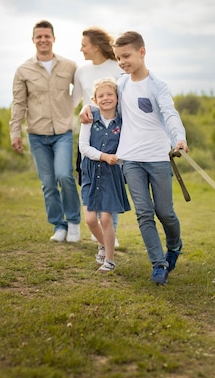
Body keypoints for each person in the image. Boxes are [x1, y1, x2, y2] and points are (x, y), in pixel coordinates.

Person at [81, 31, 189, 285]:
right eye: (118, 58)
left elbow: (170, 114)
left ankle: (174, 246)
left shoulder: (157, 86)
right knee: (144, 213)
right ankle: (158, 264)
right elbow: (103, 100)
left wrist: (179, 138)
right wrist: (87, 107)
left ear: (142, 52)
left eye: (126, 56)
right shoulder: (122, 84)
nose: (122, 62)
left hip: (159, 158)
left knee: (165, 212)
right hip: (130, 160)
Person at [9, 20, 81, 243]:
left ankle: (74, 222)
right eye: (39, 37)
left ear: (53, 39)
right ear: (33, 40)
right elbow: (18, 103)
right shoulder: (23, 70)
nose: (43, 40)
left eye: (46, 36)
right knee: (48, 183)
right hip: (37, 135)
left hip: (63, 132)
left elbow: (83, 90)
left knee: (64, 176)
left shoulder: (70, 66)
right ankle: (59, 226)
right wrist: (15, 132)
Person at [73, 27, 123, 248]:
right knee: (89, 180)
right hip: (89, 132)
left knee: (112, 182)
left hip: (113, 133)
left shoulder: (117, 67)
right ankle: (101, 233)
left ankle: (110, 231)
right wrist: (83, 109)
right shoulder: (81, 71)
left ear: (95, 46)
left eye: (84, 44)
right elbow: (75, 100)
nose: (81, 48)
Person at [79, 77, 131, 272]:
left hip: (111, 173)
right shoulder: (90, 118)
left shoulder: (123, 120)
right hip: (91, 172)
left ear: (117, 98)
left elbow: (128, 144)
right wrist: (103, 156)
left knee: (106, 219)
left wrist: (117, 158)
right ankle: (102, 244)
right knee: (91, 220)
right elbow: (83, 147)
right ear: (95, 99)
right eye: (101, 95)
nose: (106, 98)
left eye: (110, 94)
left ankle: (109, 260)